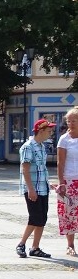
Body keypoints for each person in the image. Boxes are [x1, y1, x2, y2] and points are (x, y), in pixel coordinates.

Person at [16, 119, 57, 259]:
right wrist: (30, 189)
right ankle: (21, 244)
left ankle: (35, 247)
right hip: (33, 188)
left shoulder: (41, 146)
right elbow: (25, 169)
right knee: (35, 218)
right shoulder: (28, 147)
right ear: (40, 131)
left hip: (43, 188)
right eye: (49, 131)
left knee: (42, 218)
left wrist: (49, 183)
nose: (50, 134)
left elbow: (41, 169)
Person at [56, 108, 78, 256]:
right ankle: (70, 244)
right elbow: (60, 162)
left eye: (74, 120)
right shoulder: (64, 139)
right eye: (68, 121)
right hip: (70, 180)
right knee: (70, 213)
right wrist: (61, 182)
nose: (70, 123)